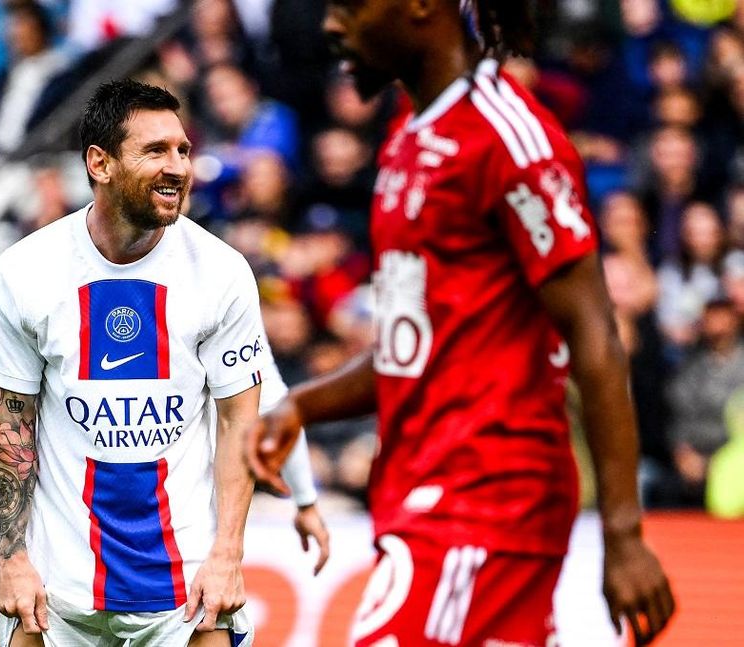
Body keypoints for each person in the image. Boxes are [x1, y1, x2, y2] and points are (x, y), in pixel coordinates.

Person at [247, 2, 675, 646]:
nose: (332, 25)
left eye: (350, 6)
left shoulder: (507, 137)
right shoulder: (408, 136)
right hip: (426, 496)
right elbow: (415, 349)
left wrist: (624, 535)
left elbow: (595, 334)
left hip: (486, 498)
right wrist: (301, 407)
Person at [0, 79, 263, 646]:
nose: (178, 166)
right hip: (57, 587)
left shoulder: (222, 272)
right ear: (100, 163)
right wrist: (10, 558)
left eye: (183, 149)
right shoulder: (25, 271)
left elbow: (239, 422)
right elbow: (12, 423)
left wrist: (228, 554)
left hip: (187, 590)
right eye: (155, 151)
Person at [0, 360, 333, 576]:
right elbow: (277, 405)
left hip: (88, 553)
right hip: (177, 553)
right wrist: (305, 501)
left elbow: (11, 386)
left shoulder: (69, 291)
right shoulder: (214, 286)